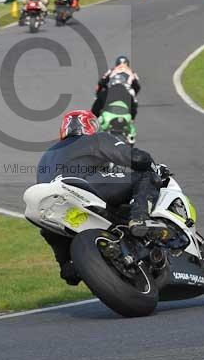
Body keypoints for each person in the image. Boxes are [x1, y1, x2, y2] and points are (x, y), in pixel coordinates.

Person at [36, 110, 168, 284]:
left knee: (49, 229)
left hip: (53, 203)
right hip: (84, 187)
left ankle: (67, 265)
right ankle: (139, 218)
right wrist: (153, 166)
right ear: (91, 126)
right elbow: (135, 158)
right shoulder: (95, 139)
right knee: (145, 176)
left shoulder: (46, 156)